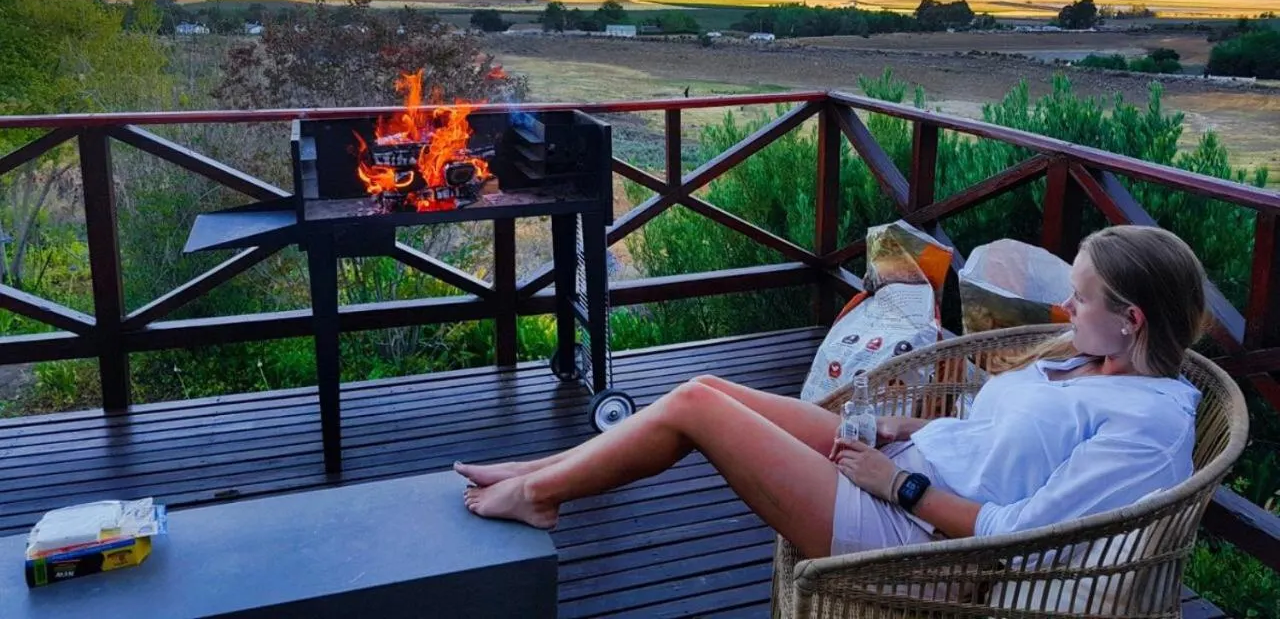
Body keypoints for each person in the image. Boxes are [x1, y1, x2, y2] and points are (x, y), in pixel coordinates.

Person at [455, 226, 1206, 560]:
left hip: (917, 542)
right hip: (903, 467)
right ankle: (539, 474)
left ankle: (544, 494)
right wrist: (896, 433)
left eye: (1078, 301)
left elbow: (1021, 531)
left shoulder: (1147, 429)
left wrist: (899, 484)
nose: (1066, 312)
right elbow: (988, 431)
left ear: (1131, 320)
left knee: (697, 409)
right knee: (707, 384)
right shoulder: (1082, 362)